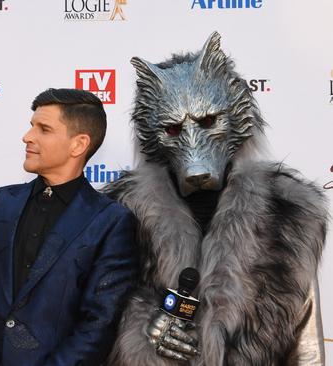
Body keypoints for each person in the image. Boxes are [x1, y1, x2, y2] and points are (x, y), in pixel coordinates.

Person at [104, 32, 327, 366]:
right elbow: (97, 310)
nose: (194, 144)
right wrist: (140, 328)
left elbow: (305, 331)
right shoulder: (121, 212)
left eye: (208, 122)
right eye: (174, 130)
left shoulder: (291, 210)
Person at [0, 88, 139, 366]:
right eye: (31, 126)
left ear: (78, 145)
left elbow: (98, 323)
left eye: (43, 129)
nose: (28, 136)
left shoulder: (111, 222)